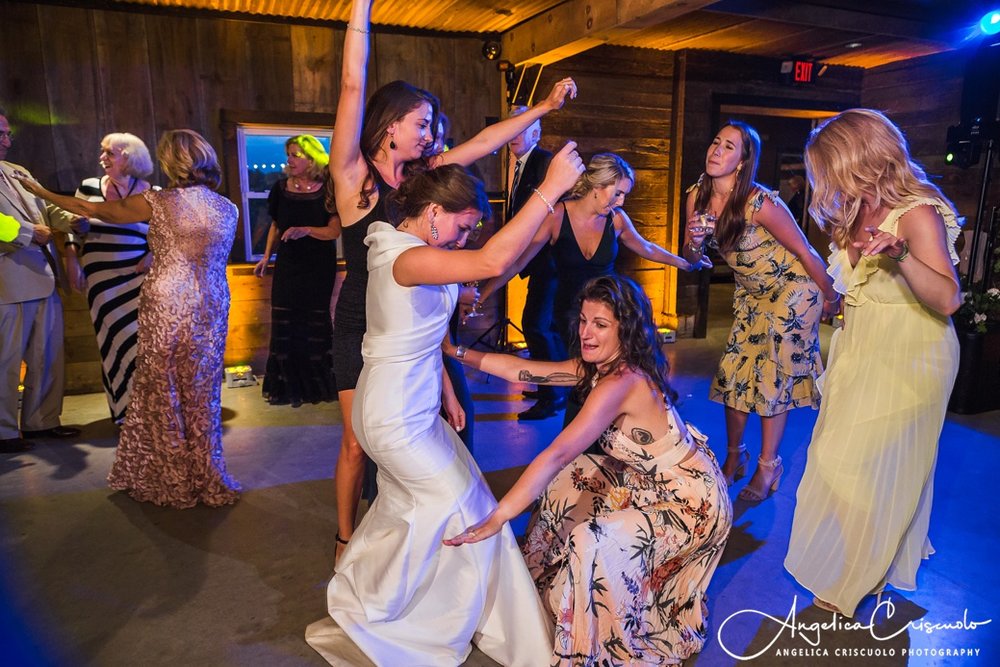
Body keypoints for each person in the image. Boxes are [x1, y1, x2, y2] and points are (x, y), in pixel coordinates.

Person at [305, 144, 586, 665]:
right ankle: (426, 620)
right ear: (433, 212)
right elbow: (492, 261)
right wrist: (549, 190)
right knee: (466, 510)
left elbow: (416, 329)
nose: (465, 238)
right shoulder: (405, 256)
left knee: (433, 504)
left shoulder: (408, 251)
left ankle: (389, 596)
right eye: (462, 226)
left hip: (411, 400)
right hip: (393, 413)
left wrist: (447, 389)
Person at [328, 0, 578, 564]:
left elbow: (486, 145)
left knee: (455, 426)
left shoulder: (424, 177)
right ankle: (347, 538)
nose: (430, 133)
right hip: (362, 327)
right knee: (357, 442)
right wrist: (360, 11)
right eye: (421, 123)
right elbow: (350, 86)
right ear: (390, 124)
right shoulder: (354, 181)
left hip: (421, 328)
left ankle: (444, 540)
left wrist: (540, 107)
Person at [444, 275, 732, 666]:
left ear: (625, 328)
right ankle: (541, 582)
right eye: (583, 320)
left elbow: (557, 452)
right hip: (649, 483)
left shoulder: (622, 381)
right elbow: (523, 372)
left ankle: (590, 648)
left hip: (690, 504)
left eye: (600, 324)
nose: (586, 332)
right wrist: (455, 351)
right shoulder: (600, 368)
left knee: (589, 538)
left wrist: (499, 516)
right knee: (572, 479)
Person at [784, 109, 962, 617]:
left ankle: (852, 581)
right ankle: (861, 564)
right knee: (834, 461)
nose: (826, 183)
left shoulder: (916, 212)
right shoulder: (856, 210)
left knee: (872, 467)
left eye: (831, 168)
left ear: (862, 158)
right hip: (862, 348)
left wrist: (903, 254)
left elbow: (949, 298)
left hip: (911, 355)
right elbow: (860, 285)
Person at [17, 129, 241, 508]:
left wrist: (40, 193)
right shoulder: (228, 208)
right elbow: (197, 247)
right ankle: (204, 472)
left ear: (172, 162)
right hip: (212, 304)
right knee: (202, 391)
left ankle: (171, 478)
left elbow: (90, 210)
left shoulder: (157, 201)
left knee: (162, 389)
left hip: (168, 302)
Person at [480, 152, 703, 424]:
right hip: (570, 317)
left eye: (625, 195)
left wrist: (685, 264)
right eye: (618, 193)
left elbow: (646, 247)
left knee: (610, 382)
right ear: (598, 186)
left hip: (610, 315)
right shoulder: (557, 216)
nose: (622, 201)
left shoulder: (616, 220)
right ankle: (582, 446)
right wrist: (484, 294)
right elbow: (517, 263)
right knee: (582, 384)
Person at [681, 121, 839, 501]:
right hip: (751, 295)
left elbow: (804, 250)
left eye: (728, 147)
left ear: (742, 161)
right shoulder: (696, 197)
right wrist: (696, 242)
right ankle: (735, 455)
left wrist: (832, 297)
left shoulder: (760, 202)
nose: (716, 150)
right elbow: (691, 258)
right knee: (732, 376)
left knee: (770, 381)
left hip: (792, 290)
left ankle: (769, 467)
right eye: (715, 142)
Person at [0, 106, 80, 453]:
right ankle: (3, 432)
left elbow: (47, 208)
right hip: (8, 283)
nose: (6, 141)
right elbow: (25, 225)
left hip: (45, 276)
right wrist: (26, 233)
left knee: (47, 354)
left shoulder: (18, 171)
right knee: (5, 361)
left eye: (7, 133)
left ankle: (41, 422)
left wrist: (73, 220)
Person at [62, 132, 155, 424]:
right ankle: (122, 413)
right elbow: (69, 227)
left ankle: (145, 411)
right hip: (101, 279)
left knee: (141, 342)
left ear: (128, 157)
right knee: (111, 340)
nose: (102, 158)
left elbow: (163, 234)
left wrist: (153, 254)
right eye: (102, 152)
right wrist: (71, 256)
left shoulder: (153, 192)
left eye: (109, 153)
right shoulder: (88, 187)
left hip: (138, 277)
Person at [254, 135, 340, 407]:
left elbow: (334, 231)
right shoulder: (280, 189)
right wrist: (266, 257)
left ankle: (315, 386)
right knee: (285, 323)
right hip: (288, 265)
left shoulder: (328, 189)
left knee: (313, 323)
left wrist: (307, 230)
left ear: (311, 158)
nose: (289, 160)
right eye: (288, 154)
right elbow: (276, 226)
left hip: (317, 266)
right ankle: (287, 387)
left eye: (295, 154)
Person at [504, 105, 559, 421]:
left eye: (523, 126)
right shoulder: (520, 164)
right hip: (534, 261)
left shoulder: (543, 162)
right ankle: (549, 388)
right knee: (539, 327)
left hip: (547, 260)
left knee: (538, 327)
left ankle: (552, 396)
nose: (515, 132)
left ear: (536, 133)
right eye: (512, 125)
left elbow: (547, 212)